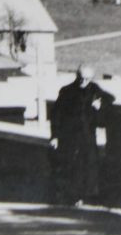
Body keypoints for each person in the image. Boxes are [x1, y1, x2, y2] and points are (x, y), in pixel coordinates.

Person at [49, 65, 117, 206]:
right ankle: (73, 197)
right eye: (81, 78)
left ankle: (87, 197)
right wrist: (54, 136)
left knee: (89, 166)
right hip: (69, 136)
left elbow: (111, 98)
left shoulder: (94, 89)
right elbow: (56, 115)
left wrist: (100, 105)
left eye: (87, 79)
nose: (84, 82)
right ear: (77, 75)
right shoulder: (67, 91)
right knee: (72, 166)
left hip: (87, 136)